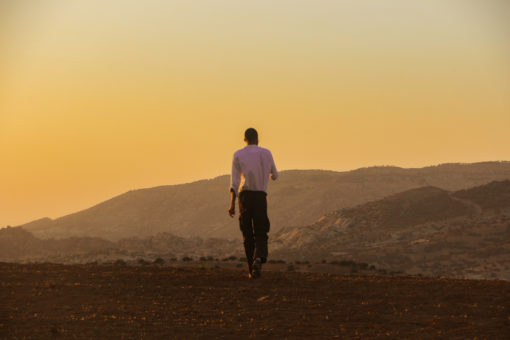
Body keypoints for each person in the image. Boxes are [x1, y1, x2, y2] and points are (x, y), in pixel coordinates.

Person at [228, 128, 278, 279]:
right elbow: (274, 175)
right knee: (261, 231)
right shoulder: (266, 153)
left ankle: (251, 269)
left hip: (245, 197)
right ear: (258, 139)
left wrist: (232, 204)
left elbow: (234, 182)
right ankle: (258, 259)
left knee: (247, 233)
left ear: (245, 139)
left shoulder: (238, 154)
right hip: (260, 196)